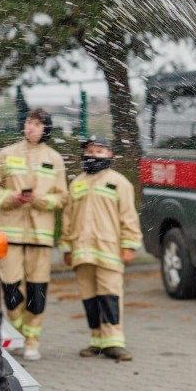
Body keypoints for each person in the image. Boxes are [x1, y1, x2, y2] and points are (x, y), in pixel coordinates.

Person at [0, 108, 68, 361]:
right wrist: (12, 198)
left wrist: (40, 199)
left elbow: (62, 197)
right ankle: (17, 327)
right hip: (10, 233)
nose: (30, 128)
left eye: (36, 124)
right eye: (28, 122)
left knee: (37, 289)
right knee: (10, 287)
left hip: (40, 234)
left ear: (46, 129)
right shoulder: (7, 154)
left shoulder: (54, 158)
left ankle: (32, 339)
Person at [59, 135, 143, 361]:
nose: (92, 155)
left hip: (109, 251)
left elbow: (129, 217)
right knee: (89, 297)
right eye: (89, 150)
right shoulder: (76, 183)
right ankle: (96, 340)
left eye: (98, 151)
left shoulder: (119, 183)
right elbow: (68, 219)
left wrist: (130, 245)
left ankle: (114, 342)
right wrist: (67, 247)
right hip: (81, 252)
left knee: (110, 295)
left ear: (109, 155)